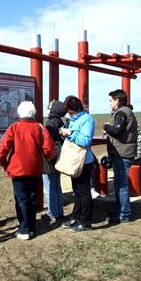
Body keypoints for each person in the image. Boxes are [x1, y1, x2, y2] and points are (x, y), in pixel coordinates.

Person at [0, 101, 55, 240]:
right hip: (35, 169)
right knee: (33, 197)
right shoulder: (40, 127)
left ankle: (24, 229)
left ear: (19, 113)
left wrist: (2, 162)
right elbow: (49, 149)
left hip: (17, 170)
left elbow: (3, 149)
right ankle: (31, 226)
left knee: (21, 199)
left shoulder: (14, 127)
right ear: (33, 113)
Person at [59, 95, 95, 232]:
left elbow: (86, 141)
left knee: (84, 192)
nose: (69, 113)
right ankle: (77, 216)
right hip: (75, 161)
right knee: (77, 191)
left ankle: (86, 222)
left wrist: (70, 134)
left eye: (70, 111)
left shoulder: (86, 120)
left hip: (84, 162)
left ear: (76, 109)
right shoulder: (75, 119)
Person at [103, 89, 138, 224]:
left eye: (111, 100)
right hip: (124, 152)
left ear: (117, 100)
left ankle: (123, 214)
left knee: (121, 185)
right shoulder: (126, 111)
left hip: (122, 154)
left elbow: (117, 130)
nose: (110, 103)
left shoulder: (121, 113)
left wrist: (106, 126)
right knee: (119, 184)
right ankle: (120, 210)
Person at [42, 100, 67, 222]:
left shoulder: (49, 124)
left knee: (49, 186)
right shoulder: (61, 122)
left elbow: (47, 144)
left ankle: (52, 213)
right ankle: (60, 211)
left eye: (49, 107)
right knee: (57, 185)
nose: (47, 108)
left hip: (50, 160)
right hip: (60, 159)